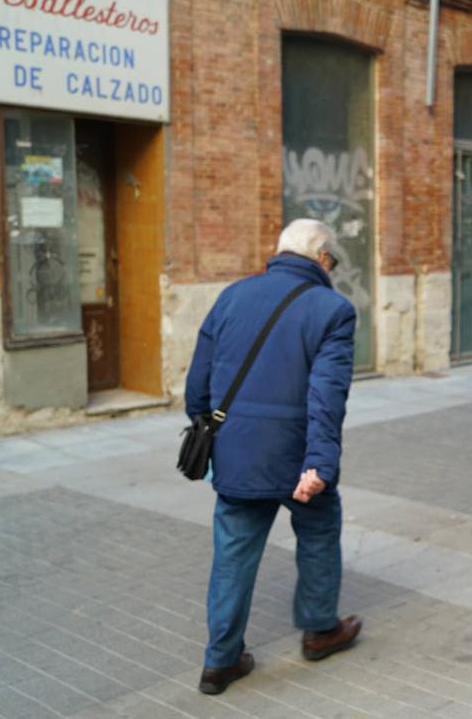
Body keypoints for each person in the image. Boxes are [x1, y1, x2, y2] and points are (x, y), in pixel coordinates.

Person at [184, 218, 362, 695]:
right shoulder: (333, 310)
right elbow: (328, 396)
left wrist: (210, 430)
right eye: (333, 260)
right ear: (322, 259)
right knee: (319, 532)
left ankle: (220, 661)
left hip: (239, 453)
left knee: (233, 554)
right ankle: (320, 630)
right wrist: (321, 465)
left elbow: (198, 382)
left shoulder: (232, 296)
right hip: (298, 456)